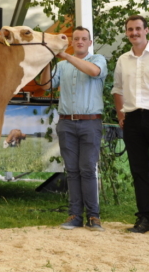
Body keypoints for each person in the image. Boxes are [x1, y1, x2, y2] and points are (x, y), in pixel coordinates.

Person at [40, 26, 107, 231]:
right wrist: (46, 60)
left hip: (90, 122)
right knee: (72, 171)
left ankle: (93, 217)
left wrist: (65, 56)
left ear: (89, 43)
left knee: (87, 169)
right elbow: (46, 86)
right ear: (72, 41)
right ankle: (75, 215)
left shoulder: (98, 60)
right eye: (76, 38)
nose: (79, 41)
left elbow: (93, 72)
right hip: (66, 122)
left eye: (83, 39)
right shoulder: (61, 65)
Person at [112, 14, 149, 233]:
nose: (133, 32)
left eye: (137, 28)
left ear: (146, 30)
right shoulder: (122, 60)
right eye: (129, 29)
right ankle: (144, 218)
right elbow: (117, 89)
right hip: (132, 119)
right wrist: (120, 115)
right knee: (139, 170)